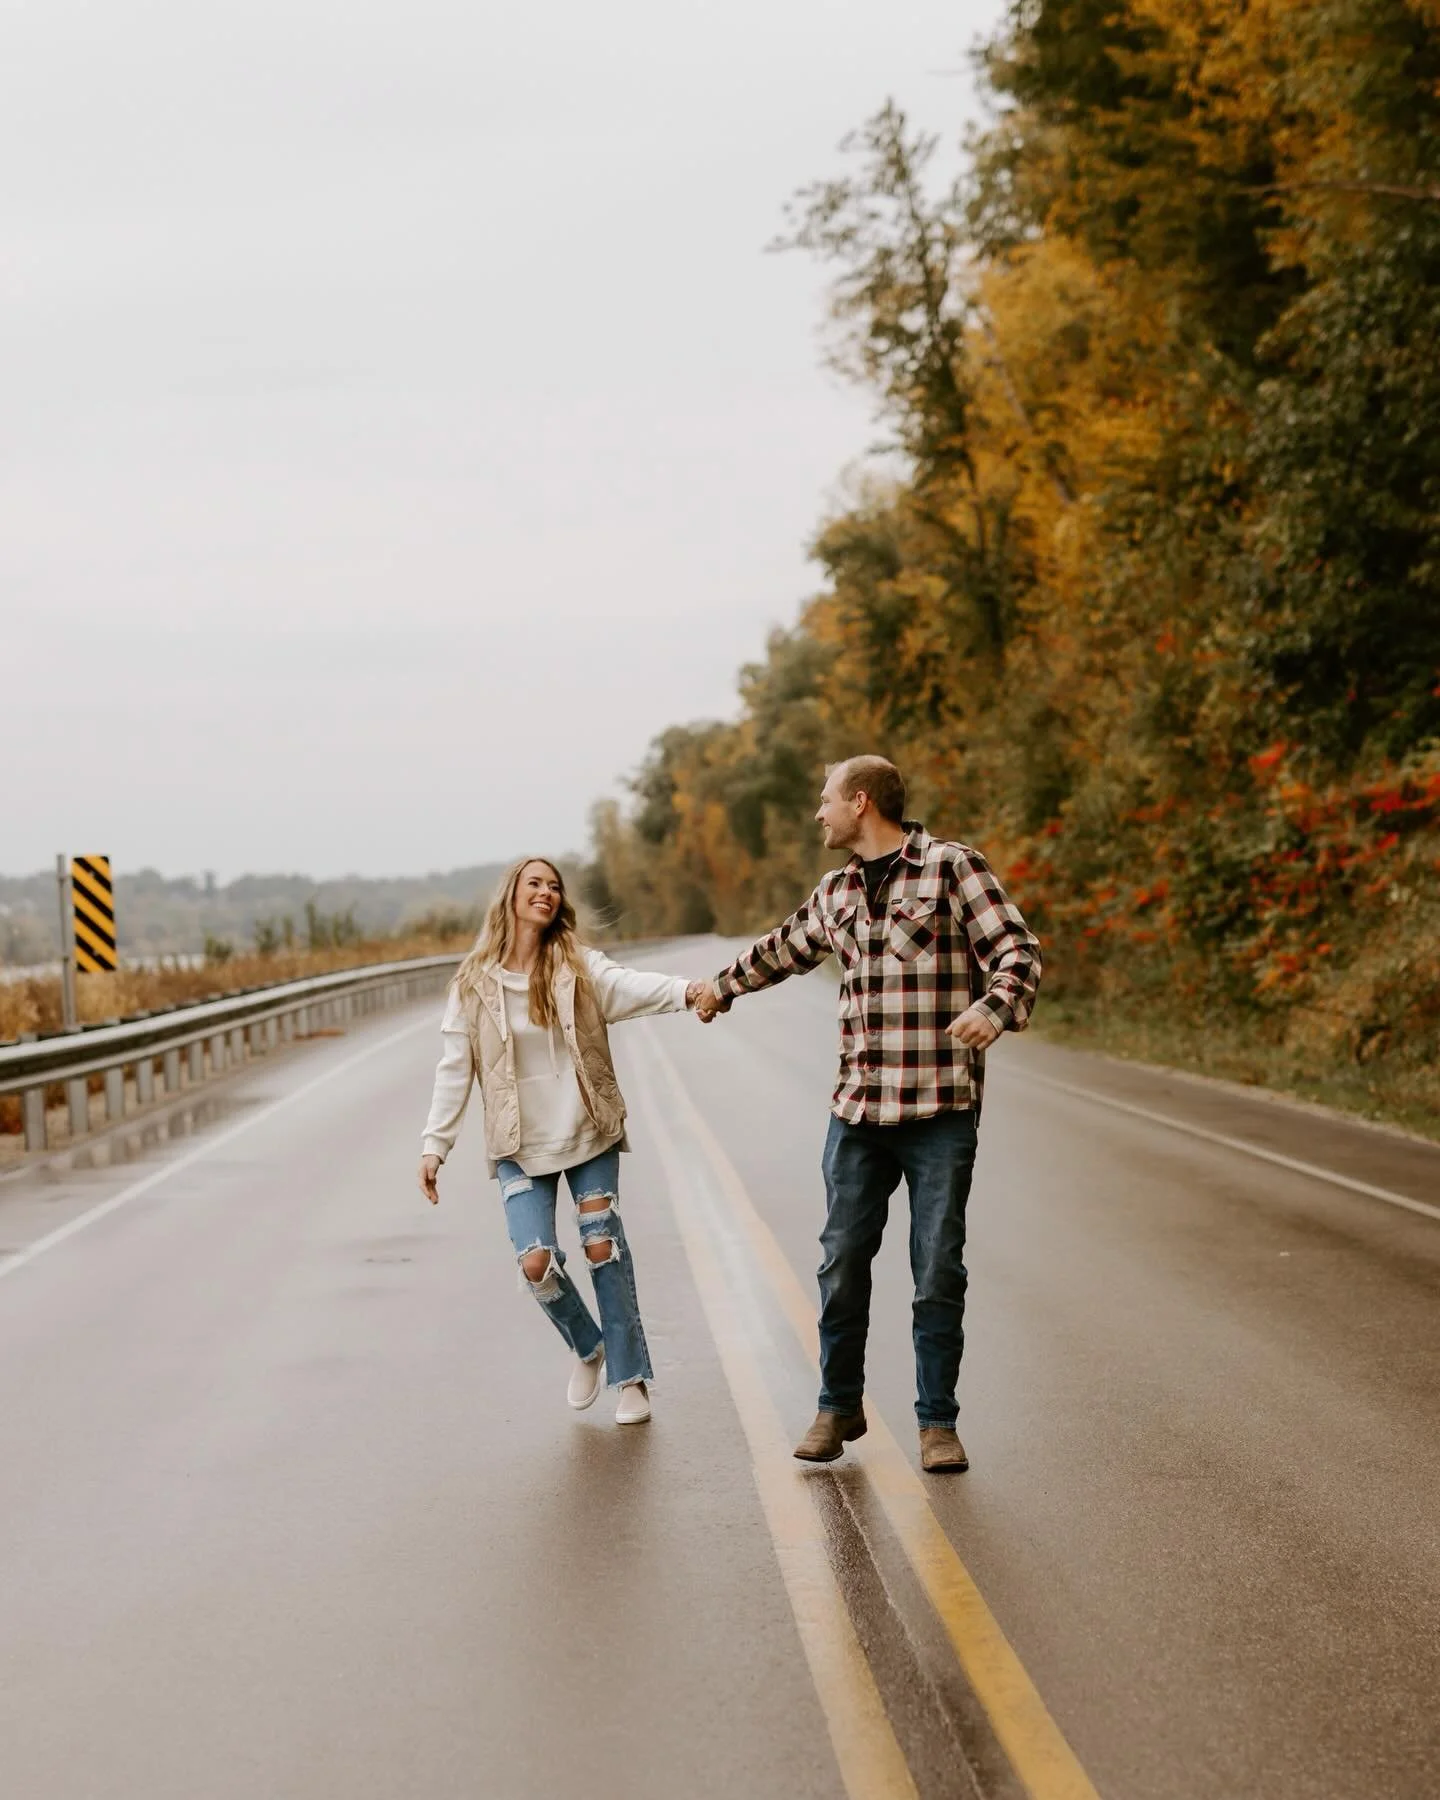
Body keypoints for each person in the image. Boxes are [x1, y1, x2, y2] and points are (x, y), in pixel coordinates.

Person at [695, 756, 1042, 1472]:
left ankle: (936, 1424)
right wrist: (719, 988)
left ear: (860, 802)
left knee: (937, 1269)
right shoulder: (836, 890)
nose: (818, 815)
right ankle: (836, 1405)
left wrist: (995, 1006)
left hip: (941, 1108)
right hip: (857, 1113)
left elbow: (1016, 949)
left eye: (825, 801)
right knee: (841, 1264)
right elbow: (782, 950)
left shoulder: (951, 868)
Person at [419, 857, 708, 1425]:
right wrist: (435, 1145)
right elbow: (454, 1068)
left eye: (554, 886)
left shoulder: (578, 967)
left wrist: (688, 990)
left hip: (587, 1127)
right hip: (518, 1141)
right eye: (535, 884)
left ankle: (630, 1379)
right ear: (511, 896)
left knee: (602, 1244)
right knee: (534, 1261)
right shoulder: (473, 984)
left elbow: (631, 988)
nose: (546, 893)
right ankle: (588, 1346)